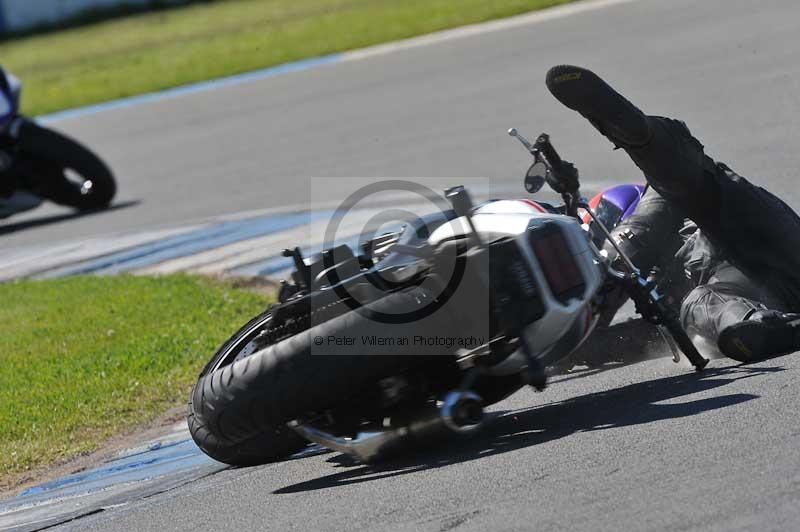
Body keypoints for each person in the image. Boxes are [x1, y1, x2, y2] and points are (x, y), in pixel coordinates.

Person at [545, 65, 800, 362]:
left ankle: (635, 134)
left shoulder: (653, 206)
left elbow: (639, 232)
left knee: (687, 182)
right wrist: (566, 353)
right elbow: (630, 340)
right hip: (770, 293)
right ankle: (767, 329)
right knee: (698, 304)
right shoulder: (666, 296)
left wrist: (599, 270)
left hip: (746, 230)